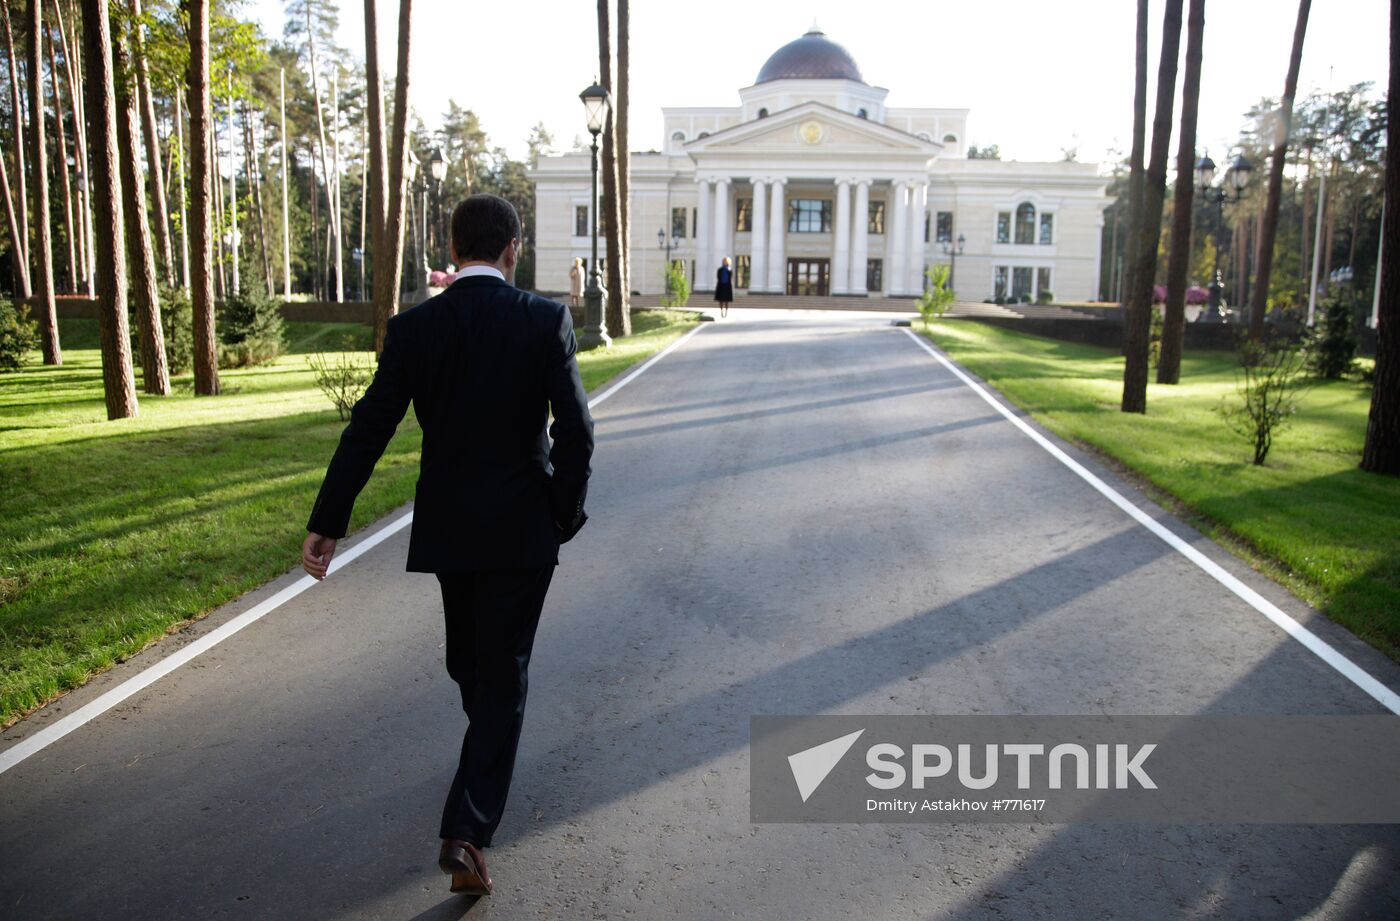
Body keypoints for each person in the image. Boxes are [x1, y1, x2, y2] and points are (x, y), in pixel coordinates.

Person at [301, 193, 595, 897]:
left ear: (455, 250)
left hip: (450, 529)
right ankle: (471, 808)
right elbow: (577, 432)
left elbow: (368, 427)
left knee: (478, 666)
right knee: (493, 675)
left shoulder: (415, 328)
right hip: (522, 530)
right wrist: (561, 515)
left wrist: (328, 519)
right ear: (513, 249)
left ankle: (467, 827)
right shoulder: (544, 319)